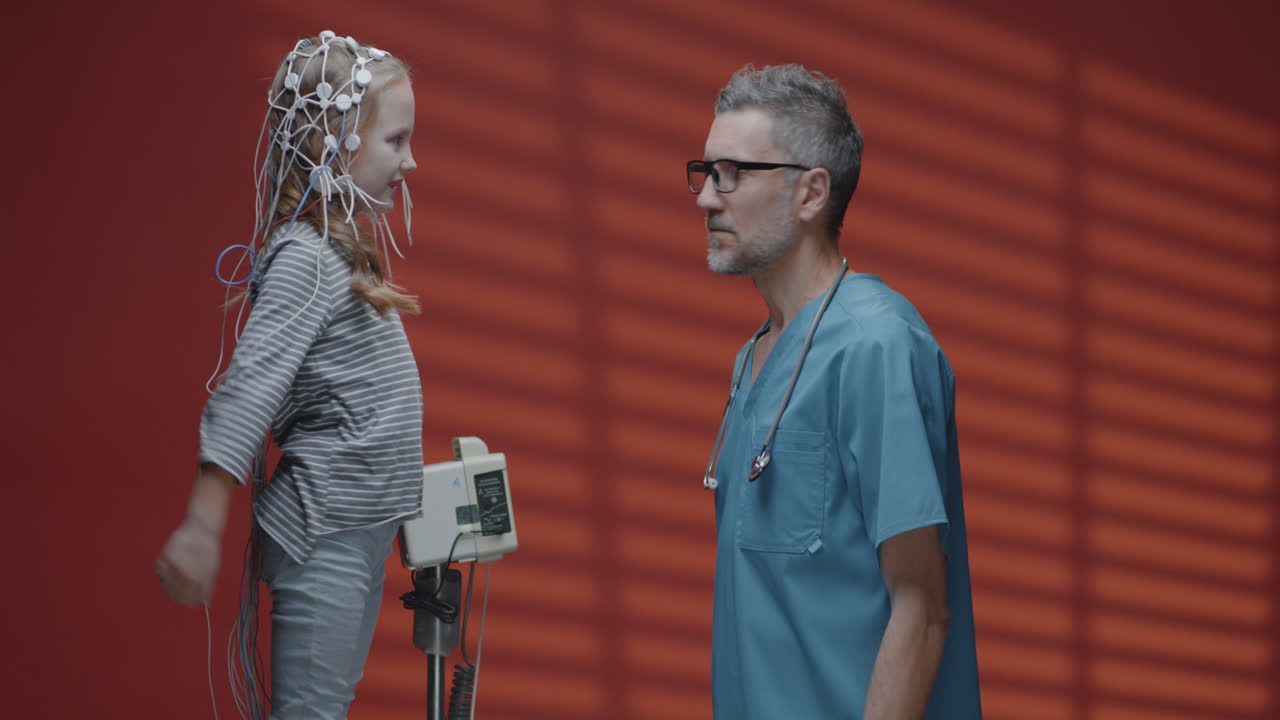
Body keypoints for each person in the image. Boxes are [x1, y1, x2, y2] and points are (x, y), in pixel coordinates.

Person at [693, 64, 982, 719]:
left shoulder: (878, 346)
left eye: (734, 174)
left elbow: (922, 609)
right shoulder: (753, 358)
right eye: (706, 174)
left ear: (811, 193)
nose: (708, 198)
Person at [155, 31, 423, 719]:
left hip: (355, 533)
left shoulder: (344, 256)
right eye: (396, 141)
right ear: (328, 141)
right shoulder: (306, 258)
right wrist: (201, 525)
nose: (411, 160)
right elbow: (250, 388)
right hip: (323, 535)